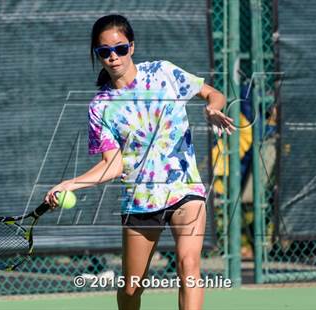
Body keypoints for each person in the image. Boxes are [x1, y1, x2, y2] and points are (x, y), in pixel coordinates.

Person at [45, 14, 235, 310]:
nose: (113, 56)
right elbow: (113, 164)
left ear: (131, 47)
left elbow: (214, 94)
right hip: (141, 200)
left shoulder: (163, 73)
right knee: (132, 288)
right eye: (104, 52)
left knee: (189, 267)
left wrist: (212, 108)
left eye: (120, 48)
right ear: (97, 55)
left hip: (185, 190)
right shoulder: (100, 107)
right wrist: (71, 183)